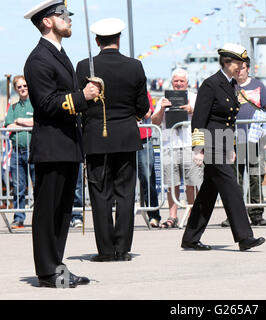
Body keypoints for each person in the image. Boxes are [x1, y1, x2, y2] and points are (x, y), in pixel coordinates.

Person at [24, 0, 100, 288]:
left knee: (62, 211)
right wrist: (83, 96)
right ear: (47, 21)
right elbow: (45, 103)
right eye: (63, 15)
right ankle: (46, 271)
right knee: (48, 212)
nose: (68, 19)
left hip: (67, 144)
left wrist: (87, 95)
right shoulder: (39, 59)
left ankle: (56, 265)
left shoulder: (59, 54)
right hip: (51, 146)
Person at [76, 18, 149, 262]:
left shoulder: (84, 66)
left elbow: (80, 105)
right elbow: (143, 106)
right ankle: (123, 249)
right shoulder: (135, 66)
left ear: (97, 41)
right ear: (119, 39)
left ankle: (106, 250)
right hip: (127, 136)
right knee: (126, 194)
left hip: (97, 137)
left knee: (100, 194)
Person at [181, 43, 265, 251]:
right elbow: (199, 118)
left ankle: (190, 237)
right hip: (211, 144)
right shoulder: (211, 84)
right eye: (238, 63)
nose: (241, 67)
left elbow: (228, 121)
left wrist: (231, 147)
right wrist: (198, 147)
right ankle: (244, 237)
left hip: (223, 143)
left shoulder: (230, 84)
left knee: (208, 194)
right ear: (227, 62)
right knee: (232, 189)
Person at [221, 57, 266, 227]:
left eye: (242, 67)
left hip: (255, 139)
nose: (239, 70)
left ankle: (256, 214)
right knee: (233, 179)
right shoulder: (228, 86)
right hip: (234, 140)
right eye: (236, 67)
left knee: (255, 177)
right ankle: (234, 215)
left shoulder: (258, 86)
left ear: (248, 69)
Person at [152, 68, 203, 229]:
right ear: (172, 82)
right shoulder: (163, 99)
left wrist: (192, 110)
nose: (179, 84)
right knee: (170, 182)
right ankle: (172, 216)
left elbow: (205, 116)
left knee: (191, 183)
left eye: (182, 81)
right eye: (176, 81)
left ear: (187, 83)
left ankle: (191, 216)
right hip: (170, 146)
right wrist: (162, 109)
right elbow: (154, 122)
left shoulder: (195, 97)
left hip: (189, 144)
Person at [4, 75, 35, 229]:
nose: (23, 89)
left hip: (34, 151)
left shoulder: (36, 104)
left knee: (38, 186)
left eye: (25, 86)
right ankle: (19, 218)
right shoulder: (14, 107)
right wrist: (24, 123)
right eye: (19, 87)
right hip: (17, 152)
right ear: (16, 89)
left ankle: (40, 219)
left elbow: (37, 122)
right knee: (18, 187)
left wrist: (20, 122)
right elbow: (8, 126)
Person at [137, 91, 161, 227]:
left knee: (148, 177)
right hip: (122, 139)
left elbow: (146, 113)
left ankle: (154, 215)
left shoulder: (143, 91)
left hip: (143, 140)